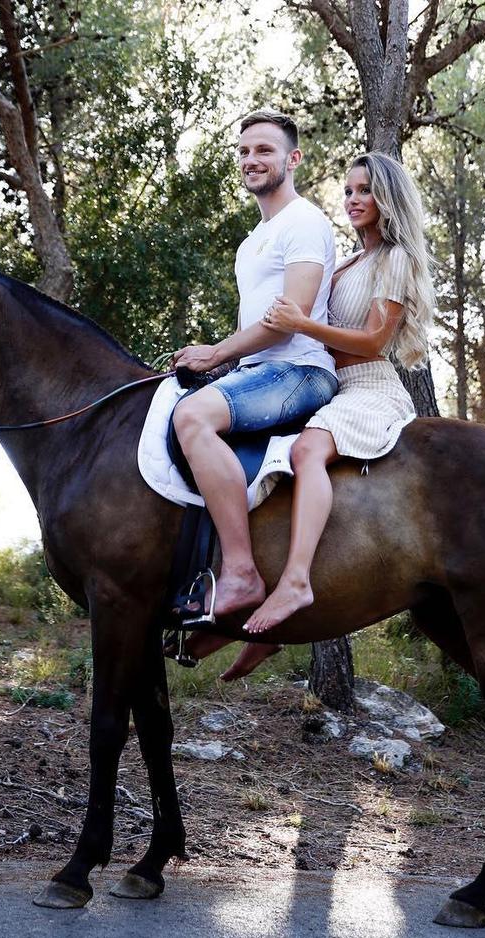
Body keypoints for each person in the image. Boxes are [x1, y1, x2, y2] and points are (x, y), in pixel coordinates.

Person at [242, 151, 435, 634]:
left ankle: (296, 583)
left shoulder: (395, 259)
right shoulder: (348, 262)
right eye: (348, 190)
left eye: (365, 190)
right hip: (331, 386)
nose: (353, 199)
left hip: (370, 387)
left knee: (307, 451)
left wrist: (301, 324)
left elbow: (373, 340)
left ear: (388, 198)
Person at [171, 110, 338, 625]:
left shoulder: (304, 222)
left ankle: (241, 572)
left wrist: (217, 353)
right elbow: (256, 327)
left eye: (264, 150)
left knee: (192, 417)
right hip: (260, 370)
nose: (251, 160)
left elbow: (290, 320)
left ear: (293, 159)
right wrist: (219, 359)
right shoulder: (251, 242)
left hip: (301, 371)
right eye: (244, 151)